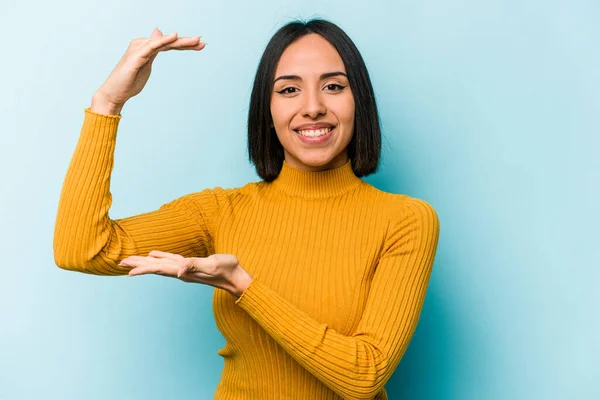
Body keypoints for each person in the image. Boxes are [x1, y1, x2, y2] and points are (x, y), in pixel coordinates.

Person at [54, 18, 440, 400]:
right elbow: (82, 249)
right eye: (289, 90)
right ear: (267, 112)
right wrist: (107, 104)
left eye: (334, 86)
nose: (313, 107)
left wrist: (244, 286)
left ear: (360, 102)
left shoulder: (405, 220)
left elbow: (363, 376)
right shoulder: (221, 211)